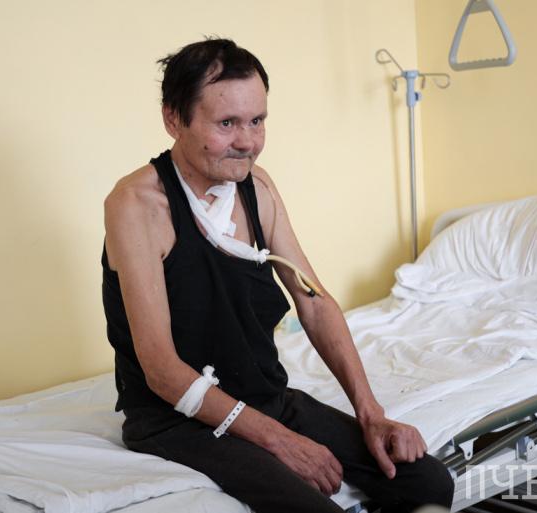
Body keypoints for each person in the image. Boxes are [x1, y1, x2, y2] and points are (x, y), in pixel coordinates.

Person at [102, 37, 454, 513]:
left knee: (427, 483)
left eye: (257, 121)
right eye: (226, 123)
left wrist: (371, 413)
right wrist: (277, 439)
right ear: (173, 119)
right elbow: (162, 372)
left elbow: (314, 302)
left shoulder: (257, 186)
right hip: (178, 420)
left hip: (264, 397)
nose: (247, 141)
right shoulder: (137, 205)